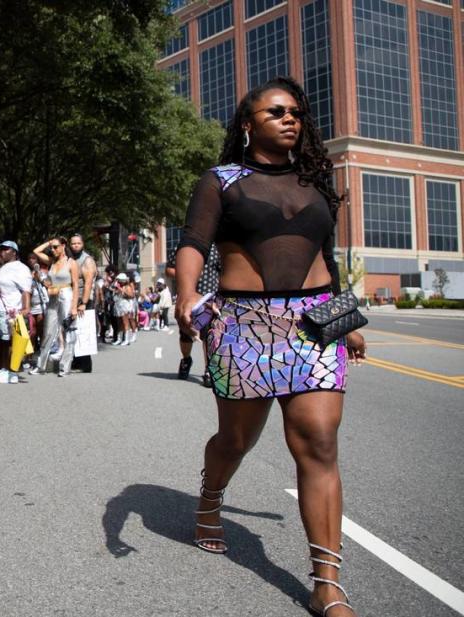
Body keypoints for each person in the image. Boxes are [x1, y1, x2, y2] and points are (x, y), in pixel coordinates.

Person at [174, 77, 366, 617]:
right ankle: (210, 500)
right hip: (244, 327)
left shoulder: (315, 180)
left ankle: (327, 582)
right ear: (247, 122)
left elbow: (325, 258)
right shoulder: (221, 179)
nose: (290, 119)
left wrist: (344, 319)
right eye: (276, 111)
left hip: (311, 325)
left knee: (319, 443)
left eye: (296, 113)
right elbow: (193, 243)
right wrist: (187, 296)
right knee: (236, 440)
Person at [166, 243, 221, 387]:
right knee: (186, 333)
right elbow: (169, 270)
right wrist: (189, 274)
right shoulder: (183, 246)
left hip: (210, 297)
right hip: (189, 297)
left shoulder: (218, 247)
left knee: (209, 334)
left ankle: (209, 370)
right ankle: (186, 359)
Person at [30, 237, 79, 376]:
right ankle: (41, 366)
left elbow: (75, 285)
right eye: (52, 248)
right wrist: (49, 242)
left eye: (56, 247)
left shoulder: (71, 263)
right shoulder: (51, 261)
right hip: (53, 295)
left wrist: (74, 306)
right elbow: (36, 251)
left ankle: (65, 366)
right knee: (48, 330)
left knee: (69, 330)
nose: (53, 250)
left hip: (66, 295)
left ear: (64, 246)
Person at [0, 241, 32, 383]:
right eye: (1, 250)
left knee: (9, 340)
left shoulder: (21, 268)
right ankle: (3, 368)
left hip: (10, 311)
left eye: (6, 249)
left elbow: (26, 290)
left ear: (14, 252)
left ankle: (12, 370)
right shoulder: (1, 268)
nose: (2, 252)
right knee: (0, 339)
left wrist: (25, 308)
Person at [69, 234, 97, 373]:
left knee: (84, 331)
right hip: (73, 299)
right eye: (73, 243)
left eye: (78, 243)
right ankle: (76, 361)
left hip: (84, 300)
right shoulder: (71, 259)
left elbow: (88, 283)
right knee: (74, 331)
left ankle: (85, 364)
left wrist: (84, 303)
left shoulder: (87, 260)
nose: (75, 246)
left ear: (83, 244)